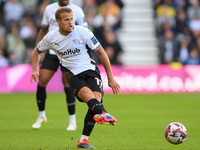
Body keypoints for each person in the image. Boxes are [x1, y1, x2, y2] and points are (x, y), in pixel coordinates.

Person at [30, 7, 120, 149]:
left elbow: (102, 53)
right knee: (87, 96)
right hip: (73, 74)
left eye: (71, 19)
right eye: (66, 20)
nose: (70, 22)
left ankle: (84, 140)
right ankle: (104, 113)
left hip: (91, 70)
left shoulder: (84, 32)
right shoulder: (51, 37)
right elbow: (36, 51)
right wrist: (35, 69)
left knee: (95, 102)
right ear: (58, 22)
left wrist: (111, 78)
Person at [31, 0, 88, 131]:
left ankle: (72, 121)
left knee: (67, 84)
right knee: (41, 81)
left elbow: (85, 32)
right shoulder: (49, 9)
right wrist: (37, 48)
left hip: (69, 53)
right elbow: (44, 29)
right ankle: (41, 116)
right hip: (52, 52)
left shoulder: (77, 10)